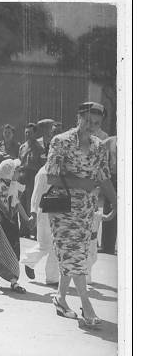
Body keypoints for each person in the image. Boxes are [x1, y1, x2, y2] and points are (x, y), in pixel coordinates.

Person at [45, 101, 116, 326]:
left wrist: (116, 203)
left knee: (75, 254)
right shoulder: (61, 141)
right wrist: (81, 182)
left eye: (96, 123)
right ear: (79, 117)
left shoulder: (98, 146)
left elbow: (104, 177)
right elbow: (51, 177)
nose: (91, 126)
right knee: (73, 253)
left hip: (86, 209)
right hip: (62, 207)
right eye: (87, 121)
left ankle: (60, 298)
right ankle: (87, 305)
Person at [0, 158, 33, 293]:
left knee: (13, 249)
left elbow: (17, 204)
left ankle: (13, 280)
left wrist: (26, 218)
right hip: (0, 222)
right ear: (8, 172)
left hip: (11, 222)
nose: (19, 173)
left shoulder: (14, 186)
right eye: (16, 171)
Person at [20, 165, 60, 285]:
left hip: (55, 210)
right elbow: (36, 194)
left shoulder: (56, 169)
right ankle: (50, 276)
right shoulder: (44, 172)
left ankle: (31, 261)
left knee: (50, 244)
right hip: (46, 211)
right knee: (49, 244)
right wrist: (34, 213)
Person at [18, 122, 45, 237]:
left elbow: (42, 164)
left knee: (32, 203)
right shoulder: (22, 147)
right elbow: (19, 160)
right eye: (26, 133)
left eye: (29, 133)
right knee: (21, 202)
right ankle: (23, 229)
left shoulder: (40, 148)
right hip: (22, 176)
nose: (27, 135)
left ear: (35, 134)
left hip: (33, 176)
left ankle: (32, 230)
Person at [101, 135, 117, 254]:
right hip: (113, 177)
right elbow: (97, 147)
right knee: (108, 209)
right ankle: (107, 246)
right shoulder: (111, 141)